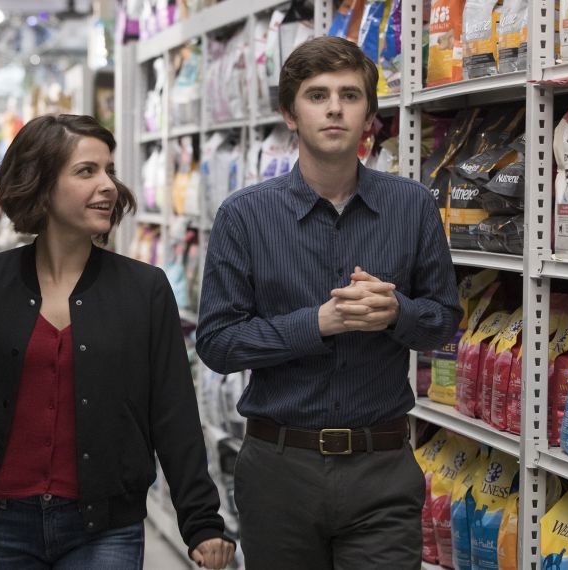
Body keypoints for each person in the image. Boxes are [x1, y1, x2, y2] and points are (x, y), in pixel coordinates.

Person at [0, 114, 235, 569]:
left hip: (105, 528)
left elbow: (173, 412)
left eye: (109, 170)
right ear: (41, 184)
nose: (108, 185)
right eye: (87, 171)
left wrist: (201, 522)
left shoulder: (144, 289)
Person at [196, 37, 462, 569]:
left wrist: (397, 314)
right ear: (290, 115)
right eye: (317, 95)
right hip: (278, 467)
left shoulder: (411, 206)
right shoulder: (244, 216)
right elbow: (218, 343)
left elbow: (444, 323)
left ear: (369, 116)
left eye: (350, 95)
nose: (335, 107)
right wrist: (317, 323)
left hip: (381, 466)